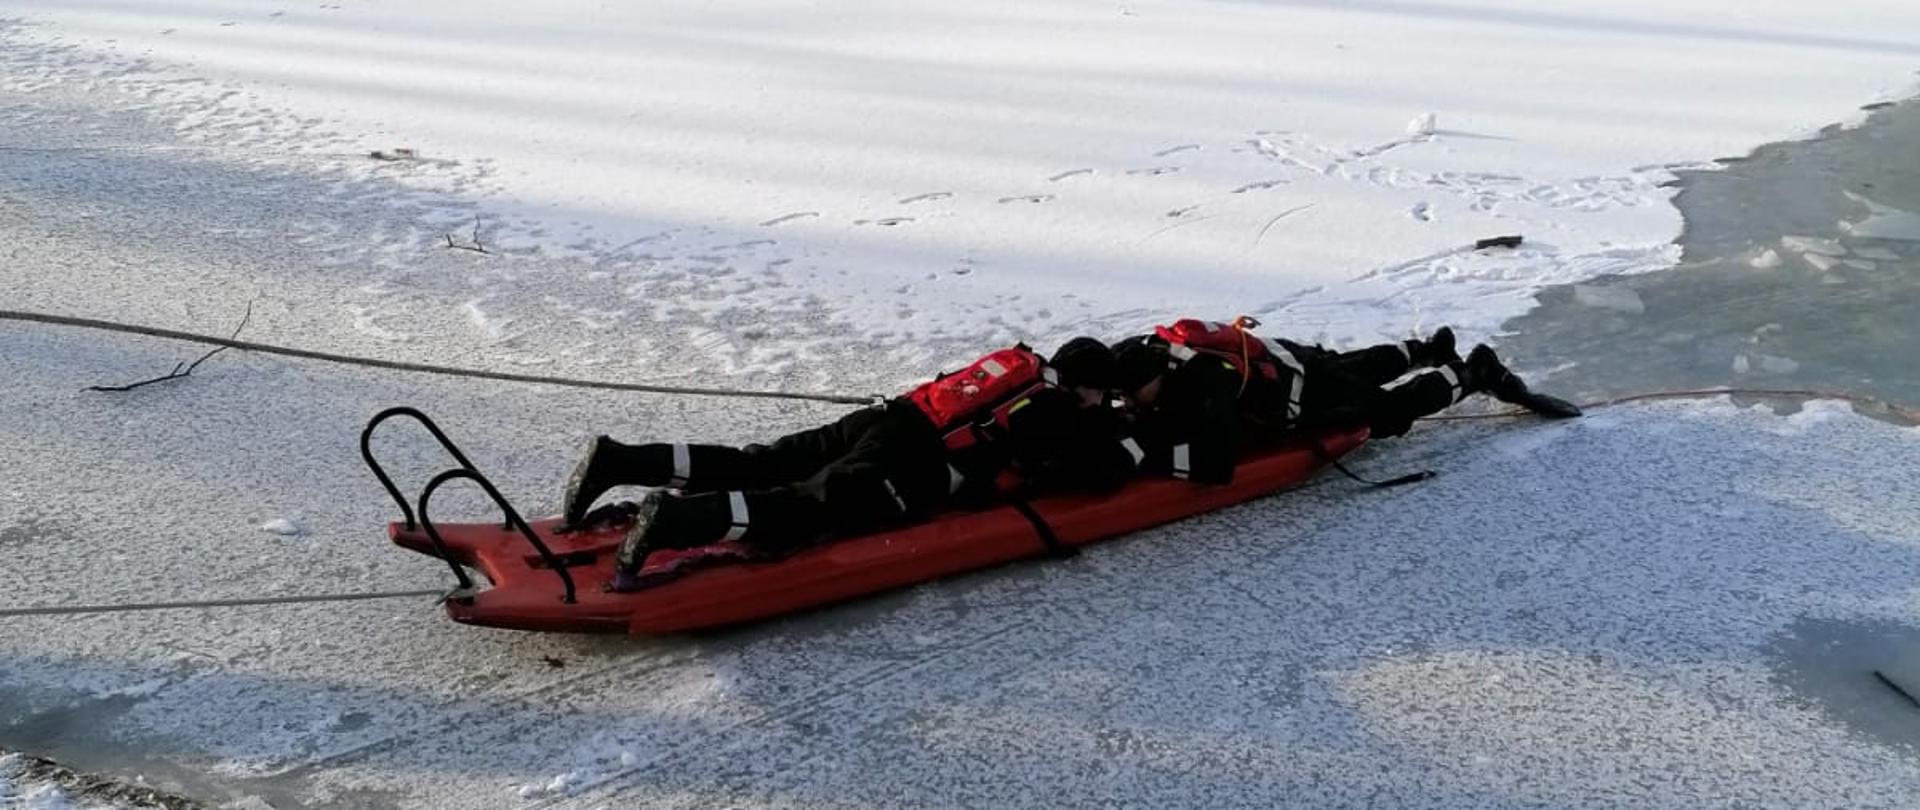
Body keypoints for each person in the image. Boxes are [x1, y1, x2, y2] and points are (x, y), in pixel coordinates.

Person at [560, 338, 1146, 592]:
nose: (1099, 403)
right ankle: (676, 521)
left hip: (885, 418)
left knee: (762, 464)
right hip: (908, 460)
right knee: (810, 506)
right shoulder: (1053, 406)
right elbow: (1071, 472)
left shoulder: (1017, 366)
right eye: (1100, 395)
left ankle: (620, 460)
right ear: (1086, 386)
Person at [1109, 317, 1579, 484]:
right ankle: (1426, 350)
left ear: (1157, 376)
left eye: (1134, 394)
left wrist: (1149, 455)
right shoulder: (1155, 349)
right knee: (1350, 367)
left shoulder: (1203, 382)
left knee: (1388, 414)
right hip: (1286, 358)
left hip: (1299, 390)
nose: (1127, 402)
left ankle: (1473, 372)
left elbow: (1218, 464)